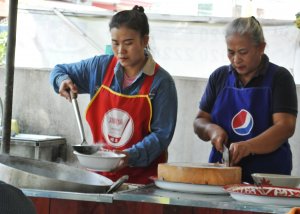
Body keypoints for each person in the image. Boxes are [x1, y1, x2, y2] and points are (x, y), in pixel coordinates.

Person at [49, 5, 178, 184]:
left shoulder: (161, 82)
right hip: (97, 178)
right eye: (115, 43)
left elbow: (161, 136)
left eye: (128, 43)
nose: (120, 51)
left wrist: (129, 156)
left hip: (142, 183)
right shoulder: (99, 68)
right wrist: (61, 80)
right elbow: (59, 70)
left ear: (145, 40)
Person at [193, 16, 298, 183]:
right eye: (231, 52)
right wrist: (211, 130)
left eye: (243, 52)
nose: (236, 59)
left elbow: (285, 127)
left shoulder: (279, 77)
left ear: (261, 47)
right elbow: (200, 121)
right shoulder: (219, 77)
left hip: (268, 177)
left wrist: (248, 146)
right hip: (223, 174)